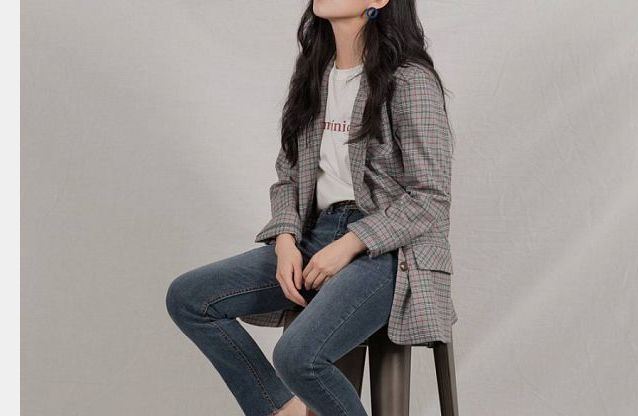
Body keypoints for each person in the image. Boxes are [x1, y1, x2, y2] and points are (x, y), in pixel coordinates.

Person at [165, 1, 457, 415]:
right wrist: (285, 240)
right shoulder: (314, 75)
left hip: (392, 253)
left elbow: (430, 197)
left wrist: (351, 243)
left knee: (297, 355)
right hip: (315, 234)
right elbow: (288, 176)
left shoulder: (410, 81)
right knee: (190, 298)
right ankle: (281, 409)